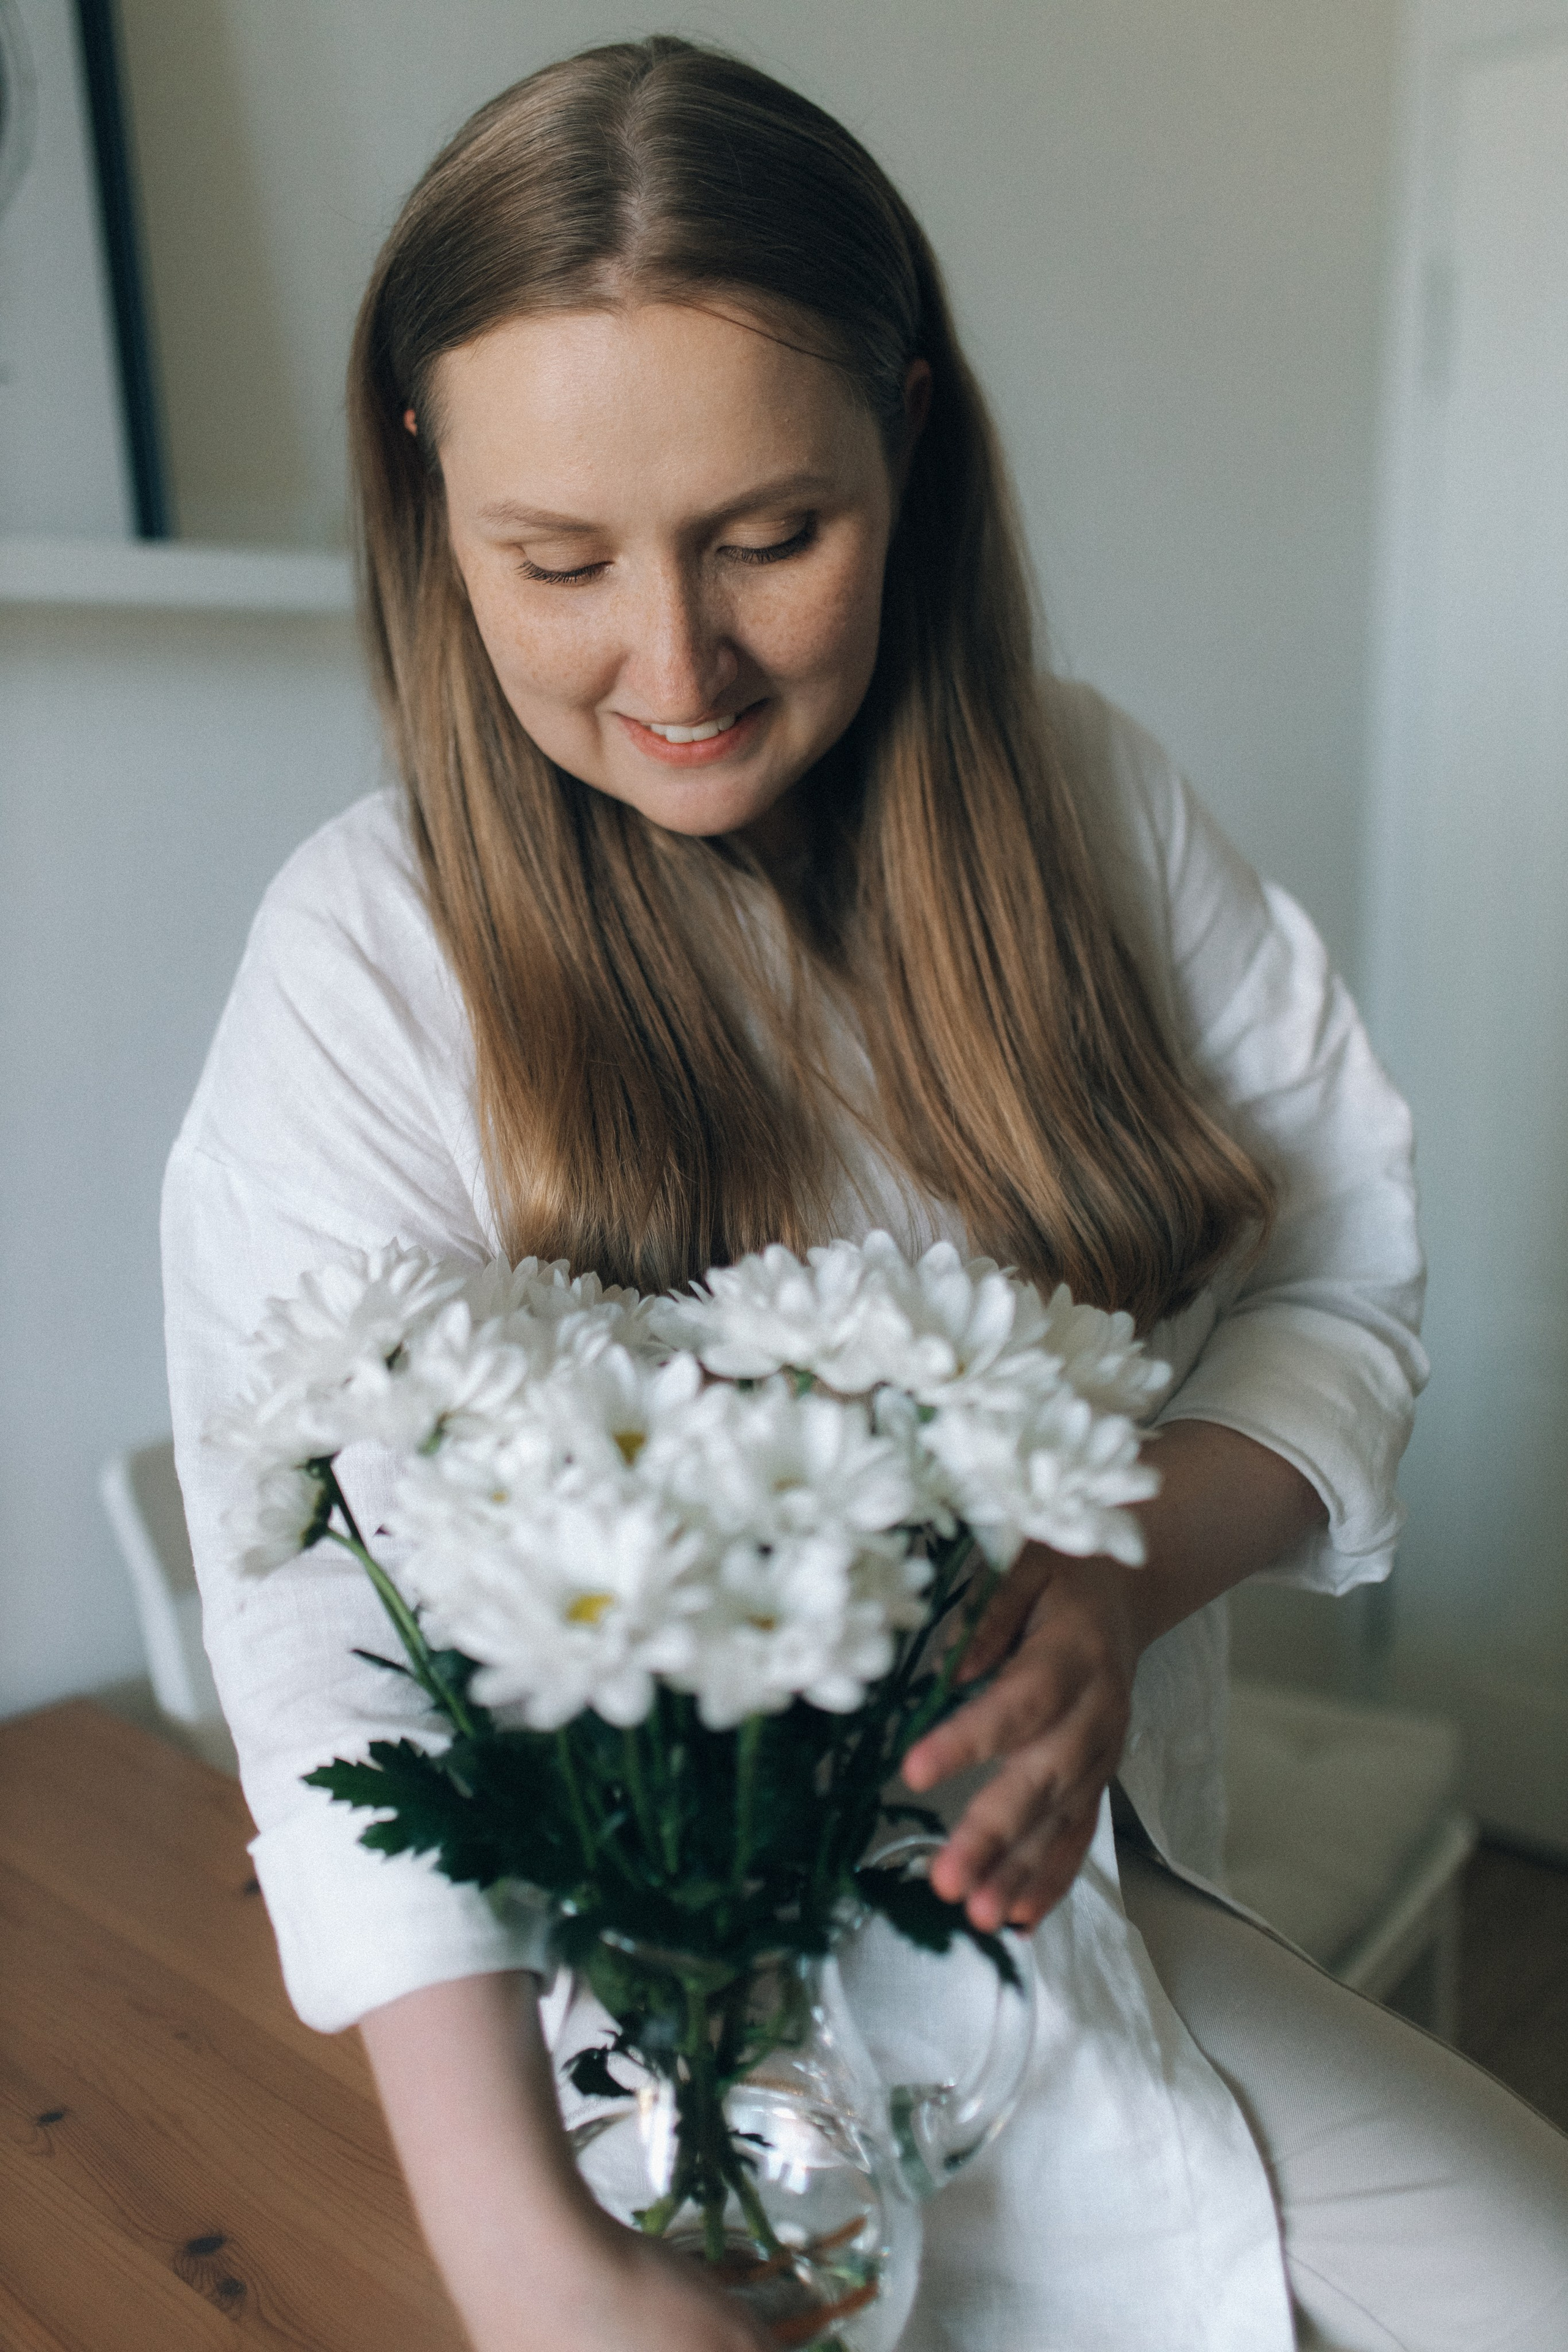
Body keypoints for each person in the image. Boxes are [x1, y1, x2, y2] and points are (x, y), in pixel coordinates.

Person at [161, 35, 1568, 2352]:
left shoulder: (1090, 805)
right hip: (614, 2033)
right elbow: (323, 1639)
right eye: (559, 560)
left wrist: (1118, 1573)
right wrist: (529, 2265)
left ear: (908, 431)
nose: (678, 666)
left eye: (768, 539)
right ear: (427, 490)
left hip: (1064, 1935)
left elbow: (1342, 1262)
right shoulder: (365, 952)